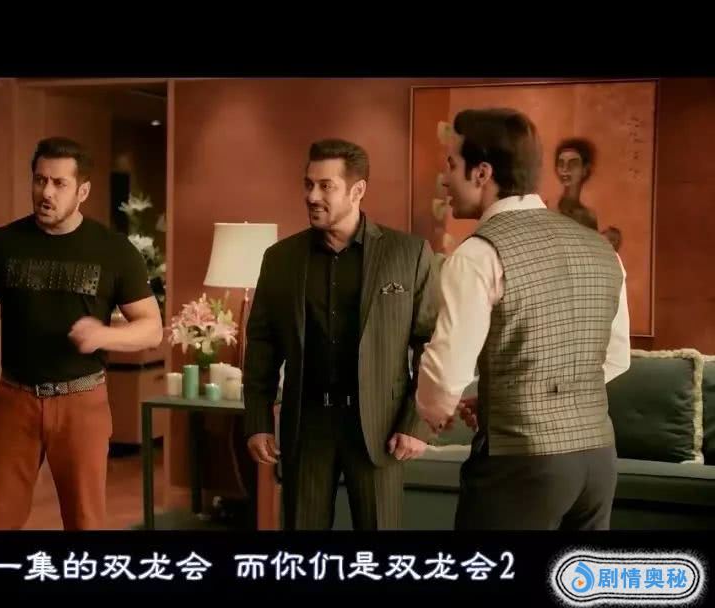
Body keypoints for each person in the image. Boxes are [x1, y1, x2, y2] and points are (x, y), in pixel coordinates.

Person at [416, 108, 631, 530]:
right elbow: (616, 357)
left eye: (451, 165)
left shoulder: (477, 255)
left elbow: (443, 381)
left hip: (521, 464)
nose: (444, 180)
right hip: (598, 461)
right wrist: (508, 395)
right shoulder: (601, 248)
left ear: (482, 173)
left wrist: (432, 409)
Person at [0, 136, 162, 530]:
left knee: (85, 523)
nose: (46, 192)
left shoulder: (114, 251)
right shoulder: (0, 245)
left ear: (82, 191)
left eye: (59, 183)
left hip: (82, 401)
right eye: (40, 180)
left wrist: (103, 336)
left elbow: (152, 329)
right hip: (15, 399)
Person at [243, 139, 438, 530]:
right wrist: (258, 420)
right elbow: (262, 344)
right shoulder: (280, 259)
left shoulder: (409, 253)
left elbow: (430, 344)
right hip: (307, 424)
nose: (312, 196)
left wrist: (416, 423)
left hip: (380, 427)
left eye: (325, 186)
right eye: (308, 184)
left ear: (357, 190)